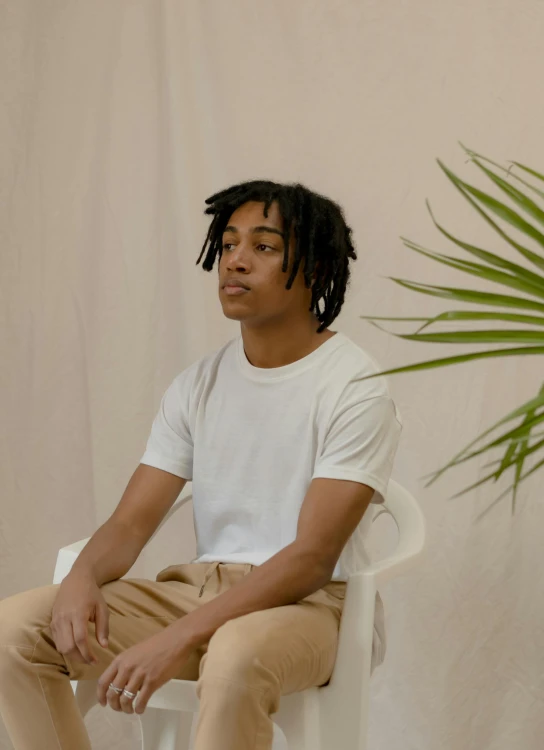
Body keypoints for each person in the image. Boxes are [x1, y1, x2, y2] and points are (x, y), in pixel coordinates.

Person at [0, 180, 402, 750]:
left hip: (312, 607)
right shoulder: (198, 385)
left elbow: (312, 559)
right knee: (13, 634)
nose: (235, 260)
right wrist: (80, 579)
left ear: (313, 265)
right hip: (200, 591)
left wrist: (178, 637)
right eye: (229, 243)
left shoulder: (354, 386)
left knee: (235, 657)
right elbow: (130, 524)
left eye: (263, 247)